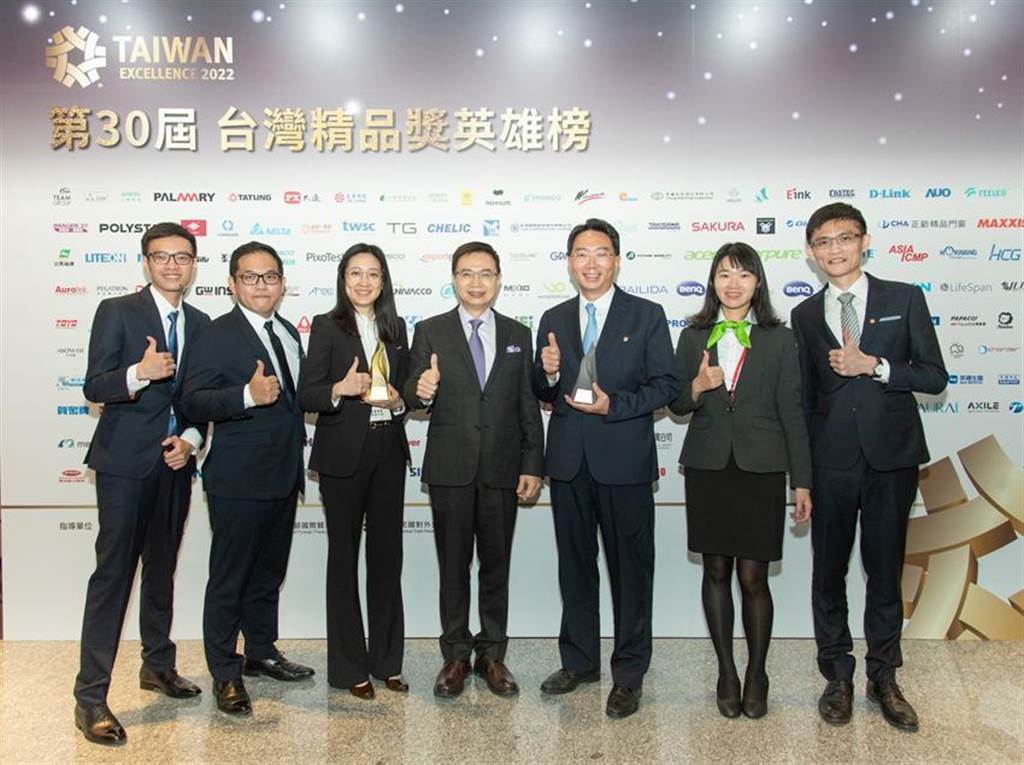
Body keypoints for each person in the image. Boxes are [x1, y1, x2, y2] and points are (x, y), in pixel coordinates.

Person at [791, 203, 947, 732]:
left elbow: (934, 376)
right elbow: (804, 401)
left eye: (844, 238)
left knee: (884, 573)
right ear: (811, 252)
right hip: (830, 463)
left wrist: (875, 366)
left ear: (864, 241)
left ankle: (885, 677)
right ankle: (837, 675)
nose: (834, 249)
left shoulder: (905, 298)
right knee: (828, 573)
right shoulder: (804, 315)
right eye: (823, 241)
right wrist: (802, 478)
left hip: (890, 461)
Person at [532, 218, 680, 719]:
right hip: (569, 463)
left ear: (616, 260)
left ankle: (629, 673)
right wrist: (548, 372)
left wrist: (613, 405)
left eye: (600, 253)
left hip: (625, 462)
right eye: (581, 254)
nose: (590, 263)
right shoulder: (553, 316)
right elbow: (542, 390)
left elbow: (667, 386)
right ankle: (578, 662)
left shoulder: (647, 314)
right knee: (574, 568)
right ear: (569, 262)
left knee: (631, 572)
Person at [74, 222, 209, 745]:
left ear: (193, 264)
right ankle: (90, 698)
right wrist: (139, 371)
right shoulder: (117, 311)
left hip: (174, 464)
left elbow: (199, 398)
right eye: (162, 256)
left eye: (182, 257)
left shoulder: (201, 322)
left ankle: (157, 665)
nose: (172, 265)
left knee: (162, 570)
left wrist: (191, 440)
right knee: (113, 576)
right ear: (146, 262)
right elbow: (94, 385)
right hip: (124, 465)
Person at [669, 242, 812, 720]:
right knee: (715, 571)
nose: (734, 284)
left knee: (753, 576)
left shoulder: (779, 338)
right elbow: (677, 403)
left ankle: (757, 672)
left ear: (757, 283)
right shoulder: (693, 336)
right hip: (708, 466)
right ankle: (726, 671)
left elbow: (793, 410)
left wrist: (801, 481)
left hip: (761, 467)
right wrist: (697, 386)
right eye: (724, 274)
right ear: (712, 282)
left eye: (744, 275)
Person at [403, 241, 544, 699]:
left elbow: (527, 403)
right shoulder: (430, 330)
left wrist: (532, 464)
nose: (476, 282)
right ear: (454, 279)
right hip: (451, 468)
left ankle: (492, 655)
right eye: (467, 273)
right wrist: (422, 388)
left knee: (496, 566)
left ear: (499, 279)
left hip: (503, 468)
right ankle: (455, 656)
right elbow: (411, 390)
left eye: (485, 273)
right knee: (453, 566)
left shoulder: (519, 333)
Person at [180, 240, 314, 717]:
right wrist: (245, 395)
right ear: (232, 284)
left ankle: (260, 651)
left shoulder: (288, 332)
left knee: (267, 575)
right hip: (238, 480)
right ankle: (225, 671)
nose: (262, 285)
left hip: (283, 476)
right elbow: (191, 401)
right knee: (229, 579)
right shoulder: (215, 334)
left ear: (282, 283)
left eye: (270, 276)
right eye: (251, 277)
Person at [297, 244, 411, 699]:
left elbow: (407, 396)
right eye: (355, 273)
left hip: (388, 452)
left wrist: (399, 401)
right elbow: (307, 394)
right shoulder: (326, 326)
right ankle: (349, 668)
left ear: (384, 282)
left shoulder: (396, 329)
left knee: (387, 558)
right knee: (343, 560)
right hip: (343, 457)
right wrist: (339, 389)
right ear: (343, 280)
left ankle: (388, 662)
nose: (364, 282)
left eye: (373, 274)